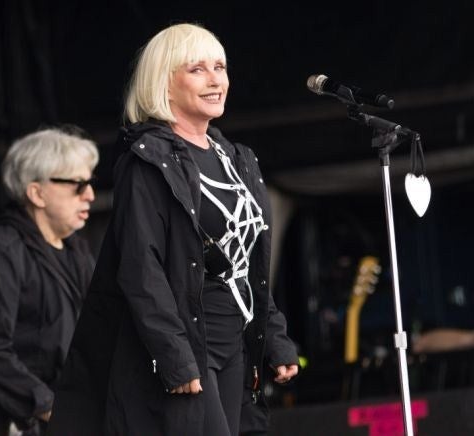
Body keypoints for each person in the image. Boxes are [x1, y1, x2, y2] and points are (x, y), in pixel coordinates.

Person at [47, 23, 299, 436]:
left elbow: (250, 262)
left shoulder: (239, 160)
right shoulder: (147, 159)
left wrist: (274, 336)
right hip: (187, 344)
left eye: (219, 66)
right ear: (163, 83)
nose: (215, 78)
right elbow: (140, 268)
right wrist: (174, 357)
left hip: (235, 341)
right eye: (197, 69)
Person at [0, 127, 99, 435]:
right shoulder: (1, 249)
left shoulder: (76, 248)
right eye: (78, 184)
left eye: (90, 182)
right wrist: (50, 405)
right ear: (36, 193)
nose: (89, 194)